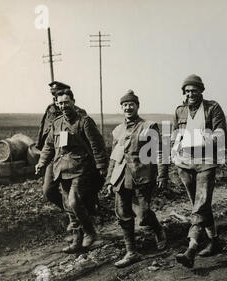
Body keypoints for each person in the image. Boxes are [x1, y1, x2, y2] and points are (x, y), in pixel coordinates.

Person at [35, 89, 108, 253]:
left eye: (66, 102)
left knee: (74, 201)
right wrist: (41, 163)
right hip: (62, 170)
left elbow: (97, 146)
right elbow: (49, 147)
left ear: (73, 102)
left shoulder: (85, 122)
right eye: (60, 103)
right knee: (68, 205)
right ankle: (77, 239)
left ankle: (90, 232)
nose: (63, 106)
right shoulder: (57, 123)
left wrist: (102, 166)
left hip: (81, 169)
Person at [105, 90, 168, 268]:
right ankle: (131, 252)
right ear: (121, 107)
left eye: (131, 104)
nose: (128, 107)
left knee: (144, 215)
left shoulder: (149, 126)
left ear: (137, 106)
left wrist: (162, 174)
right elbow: (114, 156)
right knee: (123, 214)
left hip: (142, 175)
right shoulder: (118, 130)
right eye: (125, 105)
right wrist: (110, 179)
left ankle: (158, 230)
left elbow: (160, 152)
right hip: (120, 176)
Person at [172, 74, 227, 268]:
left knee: (201, 204)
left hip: (206, 162)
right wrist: (174, 151)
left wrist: (202, 139)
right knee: (200, 205)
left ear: (201, 91)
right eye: (187, 91)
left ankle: (192, 247)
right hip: (185, 164)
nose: (190, 94)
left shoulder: (213, 107)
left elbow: (220, 133)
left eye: (194, 90)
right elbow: (175, 135)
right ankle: (215, 241)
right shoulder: (180, 111)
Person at [37, 81, 90, 230]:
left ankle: (79, 221)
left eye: (57, 94)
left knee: (74, 193)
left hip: (72, 158)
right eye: (53, 95)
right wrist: (42, 157)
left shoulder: (79, 112)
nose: (55, 98)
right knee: (48, 190)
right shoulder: (50, 110)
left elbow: (85, 136)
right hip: (54, 157)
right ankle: (73, 213)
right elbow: (45, 132)